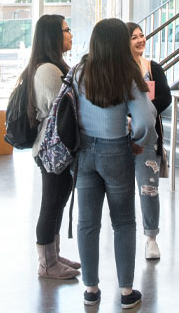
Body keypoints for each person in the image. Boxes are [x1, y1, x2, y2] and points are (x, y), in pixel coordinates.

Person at [74, 18, 156, 309]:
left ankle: (91, 289)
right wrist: (137, 139)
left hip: (83, 151)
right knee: (122, 221)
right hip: (115, 151)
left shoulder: (80, 71)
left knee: (87, 221)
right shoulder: (128, 74)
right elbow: (146, 119)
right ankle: (125, 292)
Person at [20, 14, 81, 280]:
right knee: (51, 204)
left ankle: (53, 255)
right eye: (67, 30)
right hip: (51, 149)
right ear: (53, 36)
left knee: (57, 201)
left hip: (54, 148)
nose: (70, 35)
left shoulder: (53, 66)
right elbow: (62, 111)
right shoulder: (48, 70)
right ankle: (46, 264)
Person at [126, 22, 171, 260]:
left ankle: (151, 237)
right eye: (134, 37)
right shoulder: (117, 70)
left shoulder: (152, 67)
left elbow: (165, 97)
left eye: (142, 36)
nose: (140, 40)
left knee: (149, 188)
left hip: (148, 138)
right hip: (121, 137)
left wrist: (143, 112)